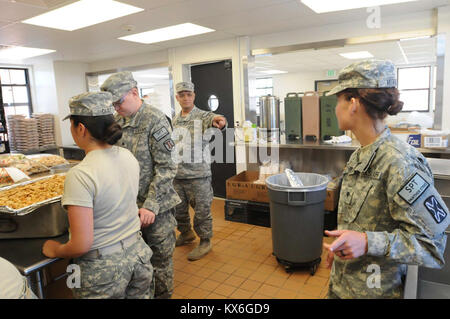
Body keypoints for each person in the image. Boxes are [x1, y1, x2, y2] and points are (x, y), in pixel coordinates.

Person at [323, 59, 449, 299]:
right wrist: (347, 243)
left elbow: (432, 245)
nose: (334, 109)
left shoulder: (399, 162)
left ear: (352, 104)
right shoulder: (361, 155)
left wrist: (367, 242)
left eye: (336, 101)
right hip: (343, 287)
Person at [42, 92, 153, 299]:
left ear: (81, 128)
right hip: (138, 255)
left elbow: (81, 244)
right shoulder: (128, 156)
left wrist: (56, 250)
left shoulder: (81, 174)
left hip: (103, 270)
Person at [100, 72, 180, 299]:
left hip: (156, 208)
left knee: (160, 261)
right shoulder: (118, 121)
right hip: (128, 206)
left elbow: (167, 168)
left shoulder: (155, 120)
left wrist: (150, 206)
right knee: (137, 263)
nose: (116, 107)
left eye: (119, 101)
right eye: (113, 103)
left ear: (134, 93)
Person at [172, 81, 227, 261]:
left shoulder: (202, 116)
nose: (186, 98)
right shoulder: (174, 119)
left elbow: (213, 118)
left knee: (202, 212)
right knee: (178, 210)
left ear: (194, 96)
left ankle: (205, 241)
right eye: (182, 95)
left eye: (189, 94)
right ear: (177, 98)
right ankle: (186, 234)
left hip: (198, 176)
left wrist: (219, 120)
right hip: (177, 176)